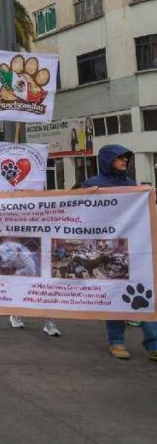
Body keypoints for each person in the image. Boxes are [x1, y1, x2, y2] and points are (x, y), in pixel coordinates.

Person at [78, 144, 156, 360]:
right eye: (120, 158)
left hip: (134, 248)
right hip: (108, 248)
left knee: (146, 295)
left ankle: (154, 343)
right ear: (108, 160)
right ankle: (117, 341)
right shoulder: (92, 185)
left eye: (127, 158)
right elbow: (80, 214)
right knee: (115, 295)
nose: (125, 162)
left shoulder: (131, 185)